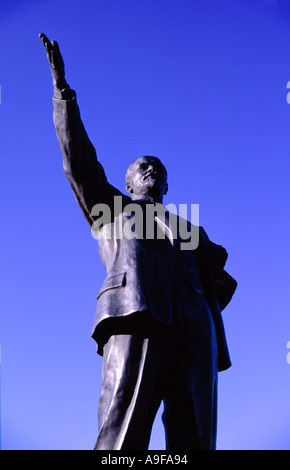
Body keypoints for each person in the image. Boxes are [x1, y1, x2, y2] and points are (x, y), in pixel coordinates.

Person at [39, 33, 237, 450]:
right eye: (141, 167)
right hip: (138, 312)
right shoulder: (111, 207)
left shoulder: (189, 227)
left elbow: (218, 274)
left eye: (156, 168)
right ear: (128, 182)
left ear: (166, 183)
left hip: (195, 323)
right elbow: (79, 163)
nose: (149, 169)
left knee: (196, 434)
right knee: (123, 431)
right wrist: (63, 93)